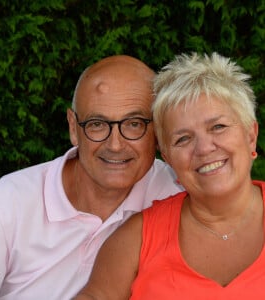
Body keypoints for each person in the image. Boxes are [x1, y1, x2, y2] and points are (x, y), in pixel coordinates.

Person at [0, 55, 182, 299]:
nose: (115, 144)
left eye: (134, 124)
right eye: (97, 124)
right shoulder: (9, 202)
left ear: (158, 129)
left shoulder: (176, 194)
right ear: (73, 128)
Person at [74, 52, 265, 299]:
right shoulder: (135, 240)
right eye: (183, 138)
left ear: (251, 135)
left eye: (218, 127)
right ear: (167, 157)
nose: (204, 148)